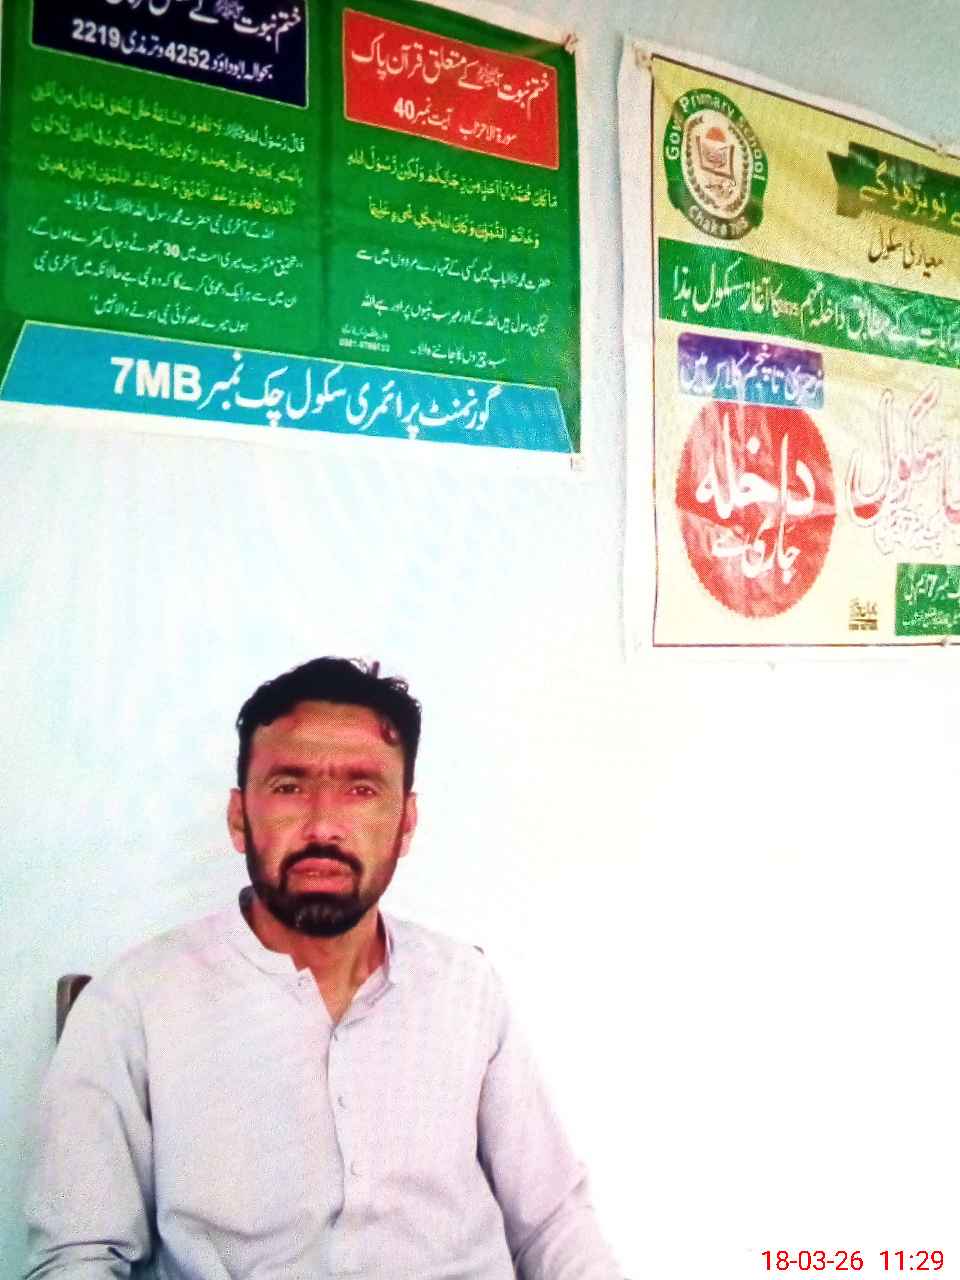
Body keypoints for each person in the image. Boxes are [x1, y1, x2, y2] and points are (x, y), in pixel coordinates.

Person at [23, 657, 622, 1279]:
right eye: (289, 787)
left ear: (405, 823)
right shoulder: (134, 1003)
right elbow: (78, 1256)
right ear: (239, 818)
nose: (323, 825)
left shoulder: (464, 988)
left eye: (362, 789)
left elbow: (552, 1222)